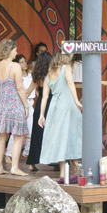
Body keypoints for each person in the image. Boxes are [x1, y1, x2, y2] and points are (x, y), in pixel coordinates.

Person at [0, 39, 29, 176]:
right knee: (18, 136)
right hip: (14, 102)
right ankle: (14, 167)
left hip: (1, 103)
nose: (16, 52)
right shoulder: (15, 66)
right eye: (15, 50)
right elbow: (20, 87)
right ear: (10, 50)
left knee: (1, 136)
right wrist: (26, 105)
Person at [38, 52, 83, 182]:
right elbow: (70, 83)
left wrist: (42, 115)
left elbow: (45, 96)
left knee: (60, 137)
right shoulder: (65, 68)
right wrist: (76, 100)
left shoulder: (49, 75)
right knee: (73, 134)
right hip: (67, 103)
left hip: (54, 107)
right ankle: (76, 165)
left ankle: (63, 171)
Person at [26, 51, 52, 171]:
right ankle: (55, 162)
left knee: (37, 133)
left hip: (39, 104)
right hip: (51, 104)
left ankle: (32, 162)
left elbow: (28, 92)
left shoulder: (36, 76)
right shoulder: (52, 75)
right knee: (52, 133)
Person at [6, 54, 35, 160]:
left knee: (31, 131)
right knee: (16, 132)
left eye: (25, 61)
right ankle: (8, 154)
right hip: (19, 105)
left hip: (30, 104)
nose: (24, 64)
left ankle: (26, 153)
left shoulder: (31, 76)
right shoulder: (15, 76)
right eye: (21, 62)